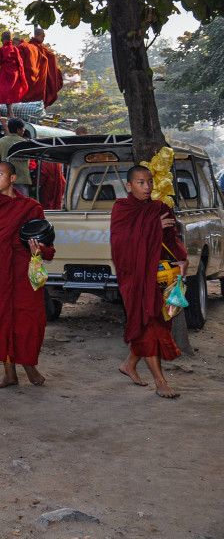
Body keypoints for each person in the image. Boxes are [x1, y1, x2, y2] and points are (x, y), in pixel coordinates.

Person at [0, 161, 54, 388]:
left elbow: (48, 245)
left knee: (29, 321)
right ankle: (9, 373)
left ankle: (29, 365)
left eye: (0, 174)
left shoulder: (30, 207)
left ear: (13, 178)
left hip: (23, 275)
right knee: (0, 320)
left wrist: (39, 249)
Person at [110, 165, 188, 398]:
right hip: (135, 276)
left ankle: (129, 365)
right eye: (141, 182)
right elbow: (121, 243)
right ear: (129, 186)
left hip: (159, 277)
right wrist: (153, 226)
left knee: (154, 323)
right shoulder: (122, 208)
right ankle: (160, 382)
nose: (147, 187)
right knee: (148, 324)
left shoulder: (160, 208)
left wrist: (183, 259)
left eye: (150, 182)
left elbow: (171, 238)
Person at [0, 33, 26, 116]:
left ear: (3, 39)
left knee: (2, 92)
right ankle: (10, 112)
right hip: (14, 73)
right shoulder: (15, 49)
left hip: (5, 73)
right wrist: (20, 74)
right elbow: (20, 62)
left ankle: (9, 112)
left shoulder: (2, 49)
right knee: (10, 93)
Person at [0, 117, 33, 197]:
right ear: (18, 130)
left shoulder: (1, 141)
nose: (23, 131)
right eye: (23, 129)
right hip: (21, 178)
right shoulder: (25, 143)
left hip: (6, 179)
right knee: (21, 204)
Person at [31, 30, 64, 106]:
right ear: (36, 36)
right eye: (42, 37)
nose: (43, 39)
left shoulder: (42, 47)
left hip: (43, 76)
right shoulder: (32, 46)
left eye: (44, 37)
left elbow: (50, 57)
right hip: (36, 76)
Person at [15, 34, 47, 103]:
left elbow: (18, 64)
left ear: (15, 43)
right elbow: (44, 59)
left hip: (25, 76)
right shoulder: (34, 47)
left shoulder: (21, 47)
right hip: (35, 76)